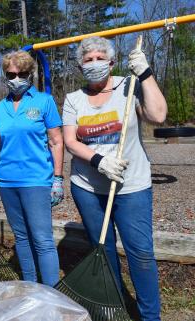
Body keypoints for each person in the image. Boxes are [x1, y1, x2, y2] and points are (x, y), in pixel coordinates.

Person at [62, 36, 167, 321]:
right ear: (80, 65)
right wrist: (99, 160)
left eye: (100, 58)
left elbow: (158, 115)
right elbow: (70, 142)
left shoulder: (129, 86)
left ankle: (150, 316)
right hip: (88, 187)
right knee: (104, 251)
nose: (94, 63)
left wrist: (144, 73)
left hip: (131, 186)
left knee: (141, 254)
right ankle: (114, 308)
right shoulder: (73, 100)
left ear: (111, 62)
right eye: (88, 59)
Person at [0, 50, 64, 287]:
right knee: (21, 237)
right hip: (7, 181)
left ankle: (51, 292)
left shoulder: (44, 101)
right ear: (5, 75)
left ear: (30, 74)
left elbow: (56, 141)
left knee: (42, 239)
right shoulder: (2, 106)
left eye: (22, 73)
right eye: (11, 74)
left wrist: (58, 178)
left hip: (36, 181)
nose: (16, 78)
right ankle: (31, 286)